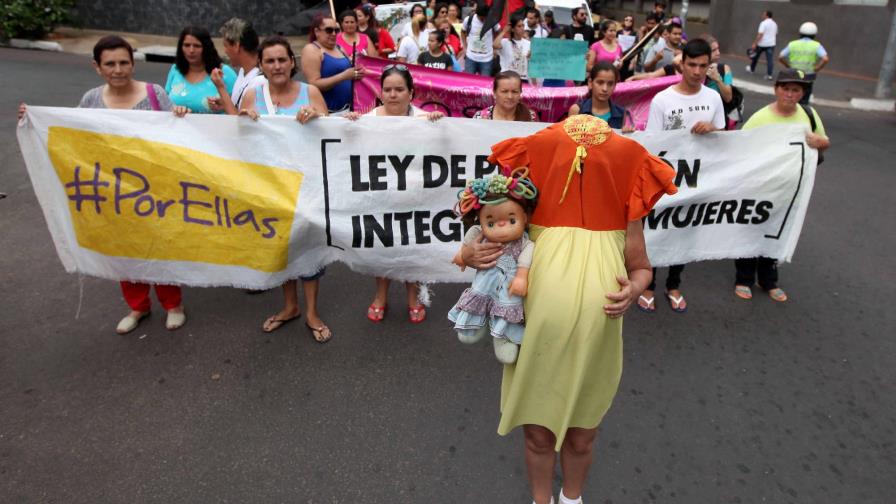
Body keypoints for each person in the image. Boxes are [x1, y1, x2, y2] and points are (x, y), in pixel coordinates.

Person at [462, 113, 677, 504]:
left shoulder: (623, 213)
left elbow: (642, 267)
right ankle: (541, 499)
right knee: (538, 433)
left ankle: (572, 498)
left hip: (596, 342)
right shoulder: (526, 210)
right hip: (535, 335)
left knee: (582, 436)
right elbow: (486, 232)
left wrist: (635, 288)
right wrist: (469, 251)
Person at [18, 36, 190, 334]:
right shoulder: (91, 100)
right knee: (123, 248)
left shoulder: (155, 94)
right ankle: (138, 306)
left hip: (154, 189)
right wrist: (33, 120)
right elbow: (70, 136)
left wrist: (180, 115)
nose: (118, 69)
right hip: (110, 192)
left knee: (160, 245)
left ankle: (172, 304)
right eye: (110, 64)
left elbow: (177, 135)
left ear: (133, 63)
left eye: (124, 62)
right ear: (97, 67)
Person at [233, 36, 333, 342]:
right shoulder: (252, 95)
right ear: (261, 66)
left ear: (292, 62)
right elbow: (238, 140)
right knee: (282, 247)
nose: (277, 66)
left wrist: (318, 117)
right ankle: (290, 306)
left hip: (308, 186)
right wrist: (243, 120)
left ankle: (312, 312)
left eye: (282, 59)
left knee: (309, 247)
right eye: (270, 61)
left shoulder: (310, 92)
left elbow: (333, 134)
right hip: (271, 188)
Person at [343, 64, 443, 323]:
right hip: (381, 197)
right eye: (387, 89)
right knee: (383, 248)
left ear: (411, 92)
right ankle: (381, 295)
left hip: (415, 197)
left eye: (399, 89)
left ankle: (412, 297)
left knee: (413, 248)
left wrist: (438, 127)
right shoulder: (369, 120)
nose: (393, 94)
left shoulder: (424, 118)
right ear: (381, 92)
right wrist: (349, 125)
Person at [642, 38, 725, 314]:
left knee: (685, 231)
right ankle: (648, 285)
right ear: (682, 64)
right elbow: (653, 142)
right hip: (665, 179)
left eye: (703, 66)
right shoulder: (663, 99)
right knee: (657, 229)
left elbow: (725, 137)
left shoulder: (713, 98)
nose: (697, 71)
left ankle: (674, 285)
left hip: (697, 179)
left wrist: (713, 129)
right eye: (692, 65)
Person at [736, 68, 830, 302]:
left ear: (802, 93)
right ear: (776, 89)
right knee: (752, 231)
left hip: (790, 190)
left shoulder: (809, 115)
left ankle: (768, 280)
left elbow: (824, 140)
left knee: (776, 231)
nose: (790, 94)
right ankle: (744, 278)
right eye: (785, 89)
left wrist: (820, 142)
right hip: (760, 189)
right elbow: (739, 147)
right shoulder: (761, 117)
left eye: (795, 90)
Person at [301, 15, 365, 114]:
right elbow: (313, 83)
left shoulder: (339, 48)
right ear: (317, 31)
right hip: (329, 113)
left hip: (351, 111)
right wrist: (344, 76)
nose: (334, 33)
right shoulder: (312, 50)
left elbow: (350, 73)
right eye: (329, 30)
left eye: (336, 30)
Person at [165, 26, 237, 114]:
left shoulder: (224, 72)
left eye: (197, 46)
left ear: (206, 48)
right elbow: (165, 104)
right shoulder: (175, 69)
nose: (191, 50)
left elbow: (237, 109)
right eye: (187, 45)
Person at [569, 62, 634, 131]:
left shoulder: (622, 113)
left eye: (610, 84)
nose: (605, 89)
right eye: (600, 82)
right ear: (590, 83)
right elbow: (569, 139)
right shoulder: (577, 110)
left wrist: (627, 134)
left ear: (615, 85)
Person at [219, 18, 266, 110]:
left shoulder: (260, 81)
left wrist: (220, 87)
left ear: (236, 46)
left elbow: (241, 121)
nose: (225, 51)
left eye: (226, 46)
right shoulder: (243, 71)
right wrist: (224, 103)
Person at [778, 21, 829, 105]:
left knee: (792, 95)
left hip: (794, 74)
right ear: (814, 34)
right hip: (808, 75)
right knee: (805, 98)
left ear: (800, 33)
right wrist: (817, 68)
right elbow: (825, 59)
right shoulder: (816, 45)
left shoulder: (793, 44)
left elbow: (781, 57)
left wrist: (788, 66)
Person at [473, 71, 538, 121]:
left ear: (520, 93)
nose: (510, 96)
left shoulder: (531, 117)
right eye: (504, 91)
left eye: (514, 92)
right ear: (495, 93)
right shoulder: (480, 118)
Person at [462, 1, 501, 75]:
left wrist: (495, 49)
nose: (483, 20)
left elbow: (499, 31)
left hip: (487, 59)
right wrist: (465, 47)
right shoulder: (469, 19)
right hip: (471, 57)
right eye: (481, 18)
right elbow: (463, 32)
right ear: (476, 14)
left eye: (485, 18)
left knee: (484, 84)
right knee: (468, 82)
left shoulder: (492, 20)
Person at [494, 14, 531, 81]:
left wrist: (530, 57)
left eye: (523, 25)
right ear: (513, 29)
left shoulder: (528, 43)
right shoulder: (505, 42)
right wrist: (504, 31)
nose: (522, 28)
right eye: (519, 26)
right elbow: (495, 45)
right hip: (507, 78)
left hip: (522, 78)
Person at [700, 34, 734, 106]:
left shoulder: (725, 68)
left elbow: (728, 98)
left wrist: (718, 79)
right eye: (714, 50)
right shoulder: (696, 69)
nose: (718, 53)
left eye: (718, 49)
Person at [747, 10, 777, 80]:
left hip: (761, 44)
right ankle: (769, 75)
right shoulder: (775, 24)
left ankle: (751, 69)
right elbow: (775, 33)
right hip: (771, 44)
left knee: (755, 57)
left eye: (763, 14)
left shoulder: (763, 23)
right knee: (770, 60)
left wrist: (755, 43)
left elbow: (760, 34)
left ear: (767, 16)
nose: (762, 15)